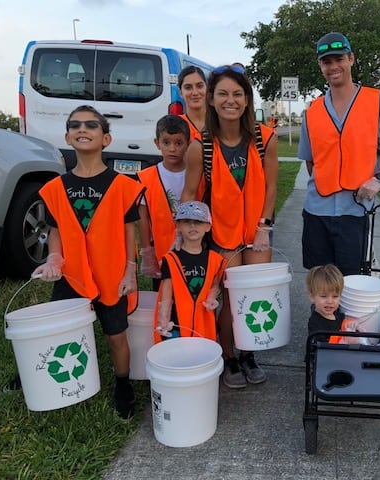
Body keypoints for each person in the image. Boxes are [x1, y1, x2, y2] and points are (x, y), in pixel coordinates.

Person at [32, 105, 144, 418]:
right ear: (67, 136)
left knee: (116, 335)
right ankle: (39, 370)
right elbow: (55, 230)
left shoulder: (122, 185)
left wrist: (130, 270)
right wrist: (55, 256)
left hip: (111, 274)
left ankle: (123, 384)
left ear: (105, 138)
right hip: (73, 274)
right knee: (59, 330)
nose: (83, 129)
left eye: (91, 125)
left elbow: (128, 231)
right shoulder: (57, 187)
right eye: (75, 125)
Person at [181, 63, 278, 389]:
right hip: (222, 236)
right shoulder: (201, 146)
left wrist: (264, 226)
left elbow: (271, 187)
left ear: (248, 100)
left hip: (256, 233)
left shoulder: (265, 139)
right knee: (229, 297)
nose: (230, 100)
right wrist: (187, 232)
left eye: (238, 93)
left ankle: (248, 353)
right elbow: (190, 193)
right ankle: (229, 357)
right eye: (222, 93)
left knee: (254, 296)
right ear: (211, 99)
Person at [298, 32, 380, 276]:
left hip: (355, 210)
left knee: (352, 281)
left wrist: (378, 179)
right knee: (320, 281)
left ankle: (351, 317)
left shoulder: (376, 103)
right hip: (317, 210)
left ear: (351, 59)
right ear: (321, 66)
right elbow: (311, 161)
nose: (333, 67)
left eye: (339, 59)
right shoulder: (312, 112)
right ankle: (321, 317)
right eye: (327, 62)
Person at [138, 115, 196, 289]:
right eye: (166, 142)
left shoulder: (196, 175)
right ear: (157, 143)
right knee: (164, 298)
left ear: (188, 143)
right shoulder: (146, 177)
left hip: (193, 250)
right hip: (161, 252)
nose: (172, 149)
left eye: (179, 143)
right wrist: (147, 251)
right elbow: (142, 217)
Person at [155, 200, 225, 342]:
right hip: (176, 325)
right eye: (187, 221)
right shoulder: (171, 259)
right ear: (179, 225)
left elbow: (214, 284)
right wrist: (163, 320)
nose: (192, 226)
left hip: (203, 324)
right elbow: (166, 294)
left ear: (207, 226)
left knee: (201, 360)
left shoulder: (215, 260)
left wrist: (212, 297)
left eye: (198, 222)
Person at [306, 264, 346, 343]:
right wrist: (343, 342)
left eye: (335, 296)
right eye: (323, 296)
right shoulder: (315, 323)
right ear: (312, 297)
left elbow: (343, 321)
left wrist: (350, 324)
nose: (330, 301)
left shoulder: (336, 313)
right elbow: (322, 348)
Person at [178, 65, 207, 142]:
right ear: (180, 93)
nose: (195, 92)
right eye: (188, 87)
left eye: (199, 86)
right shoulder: (176, 126)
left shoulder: (220, 123)